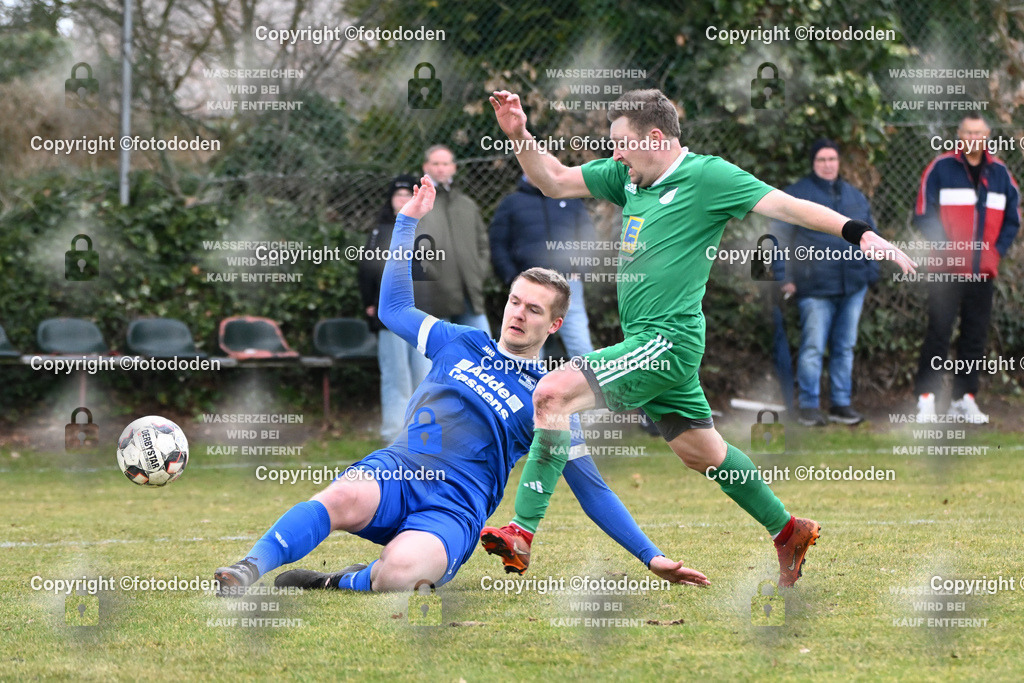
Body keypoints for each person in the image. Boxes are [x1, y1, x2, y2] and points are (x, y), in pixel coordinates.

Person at [480, 89, 916, 587]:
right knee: (701, 453)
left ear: (657, 137)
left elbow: (786, 204)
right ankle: (788, 530)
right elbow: (551, 178)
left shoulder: (708, 177)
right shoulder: (628, 177)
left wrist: (860, 233)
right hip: (651, 340)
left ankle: (522, 530)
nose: (615, 153)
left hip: (668, 340)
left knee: (552, 393)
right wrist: (519, 135)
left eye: (622, 142)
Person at [214, 176, 710, 594]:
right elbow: (393, 311)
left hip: (455, 508)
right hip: (399, 469)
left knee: (402, 574)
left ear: (554, 325)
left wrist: (652, 558)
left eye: (534, 309)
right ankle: (246, 570)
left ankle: (338, 582)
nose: (518, 313)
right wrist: (407, 223)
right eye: (516, 301)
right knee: (339, 498)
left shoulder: (554, 394)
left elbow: (592, 490)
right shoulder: (462, 342)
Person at [913, 114, 1020, 424]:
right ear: (959, 135)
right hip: (945, 272)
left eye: (980, 132)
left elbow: (1013, 219)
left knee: (974, 336)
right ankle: (926, 398)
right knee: (939, 332)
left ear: (988, 136)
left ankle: (965, 398)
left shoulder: (1000, 173)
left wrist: (994, 253)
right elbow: (922, 212)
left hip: (981, 273)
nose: (974, 137)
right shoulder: (941, 168)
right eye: (968, 132)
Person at [771, 139, 880, 427]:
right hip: (814, 286)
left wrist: (871, 272)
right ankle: (809, 406)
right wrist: (784, 277)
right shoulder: (797, 195)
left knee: (845, 347)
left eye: (832, 159)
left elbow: (872, 235)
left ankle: (841, 405)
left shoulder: (855, 197)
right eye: (821, 160)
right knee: (813, 347)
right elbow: (778, 237)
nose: (828, 164)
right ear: (813, 163)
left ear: (839, 162)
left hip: (853, 285)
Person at [357, 174, 432, 442]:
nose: (402, 200)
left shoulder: (426, 231)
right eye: (397, 196)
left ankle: (422, 437)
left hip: (421, 317)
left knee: (424, 378)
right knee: (395, 377)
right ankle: (394, 438)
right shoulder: (378, 232)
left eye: (406, 195)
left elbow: (432, 274)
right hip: (388, 317)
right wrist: (369, 303)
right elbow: (366, 271)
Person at [490, 174, 596, 358]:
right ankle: (527, 387)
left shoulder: (570, 200)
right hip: (529, 287)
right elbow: (497, 243)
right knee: (527, 348)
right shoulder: (512, 203)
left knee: (580, 345)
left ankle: (592, 386)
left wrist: (580, 271)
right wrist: (512, 278)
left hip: (569, 284)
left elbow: (589, 236)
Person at [416, 144, 493, 334]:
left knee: (484, 353)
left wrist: (478, 272)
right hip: (435, 299)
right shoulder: (419, 204)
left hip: (470, 294)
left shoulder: (467, 205)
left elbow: (483, 245)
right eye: (435, 164)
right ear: (426, 167)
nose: (440, 168)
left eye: (445, 163)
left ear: (454, 167)